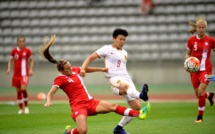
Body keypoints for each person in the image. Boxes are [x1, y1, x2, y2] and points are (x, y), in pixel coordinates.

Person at [39, 35, 151, 134]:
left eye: (70, 66)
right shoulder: (60, 79)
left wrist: (101, 69)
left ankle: (139, 114)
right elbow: (51, 92)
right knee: (83, 131)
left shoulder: (73, 70)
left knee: (113, 106)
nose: (71, 69)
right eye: (68, 68)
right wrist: (49, 100)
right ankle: (69, 132)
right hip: (78, 106)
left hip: (90, 102)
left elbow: (85, 69)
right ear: (62, 71)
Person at [80, 28, 149, 134]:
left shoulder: (125, 52)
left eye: (124, 40)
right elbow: (90, 57)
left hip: (126, 77)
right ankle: (141, 95)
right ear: (114, 39)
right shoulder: (106, 49)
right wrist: (83, 68)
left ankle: (119, 128)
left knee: (136, 108)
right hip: (114, 79)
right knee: (126, 87)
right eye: (120, 39)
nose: (122, 42)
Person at [185, 17, 215, 123]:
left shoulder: (211, 40)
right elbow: (188, 54)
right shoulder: (191, 40)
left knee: (201, 92)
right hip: (194, 71)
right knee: (198, 94)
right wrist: (187, 60)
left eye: (203, 27)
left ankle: (199, 117)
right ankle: (210, 95)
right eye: (199, 27)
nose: (201, 29)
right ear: (196, 28)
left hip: (206, 69)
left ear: (205, 28)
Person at [6, 36, 34, 114]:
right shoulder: (14, 51)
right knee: (18, 91)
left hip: (24, 74)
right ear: (17, 42)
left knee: (23, 89)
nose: (21, 43)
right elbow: (10, 60)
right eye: (20, 41)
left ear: (24, 42)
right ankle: (21, 108)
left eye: (22, 41)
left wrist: (31, 69)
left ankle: (26, 107)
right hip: (16, 74)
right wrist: (9, 68)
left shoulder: (27, 51)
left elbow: (32, 60)